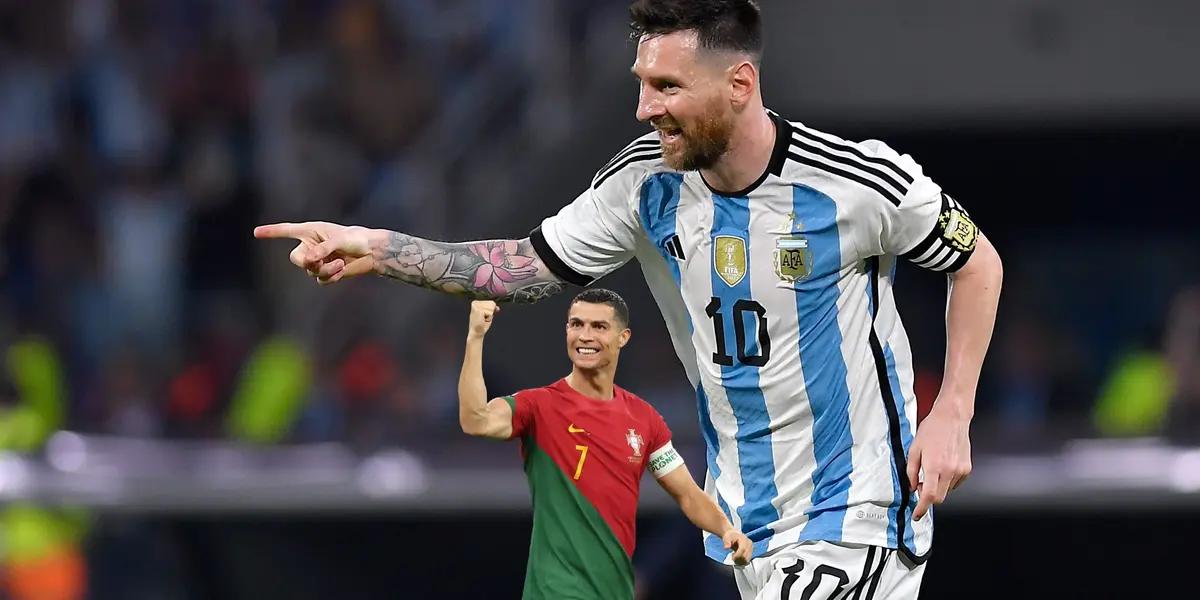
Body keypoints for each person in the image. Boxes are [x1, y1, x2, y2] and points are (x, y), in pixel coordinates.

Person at [255, 1, 1004, 596]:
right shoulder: (643, 184)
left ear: (739, 85)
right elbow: (520, 270)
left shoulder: (856, 182)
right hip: (748, 521)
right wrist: (379, 248)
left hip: (858, 512)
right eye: (642, 84)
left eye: (667, 87)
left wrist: (954, 413)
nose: (645, 107)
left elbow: (976, 262)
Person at [458, 290, 751, 599]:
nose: (585, 336)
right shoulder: (539, 406)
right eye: (576, 324)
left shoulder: (644, 418)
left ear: (623, 337)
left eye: (598, 326)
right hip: (554, 592)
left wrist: (725, 529)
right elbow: (475, 420)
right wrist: (475, 337)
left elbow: (689, 495)